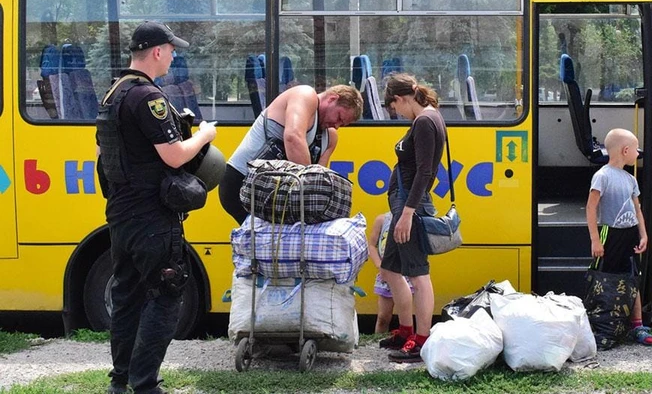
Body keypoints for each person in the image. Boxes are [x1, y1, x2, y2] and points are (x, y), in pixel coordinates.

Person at [96, 21, 217, 394]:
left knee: (127, 297)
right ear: (157, 51)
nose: (174, 55)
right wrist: (204, 135)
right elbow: (174, 155)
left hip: (121, 214)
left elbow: (103, 154)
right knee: (167, 295)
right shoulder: (148, 97)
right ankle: (145, 384)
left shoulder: (113, 94)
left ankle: (120, 381)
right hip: (153, 216)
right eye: (172, 49)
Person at [218, 84, 363, 224]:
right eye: (338, 117)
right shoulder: (305, 95)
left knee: (283, 244)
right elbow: (293, 137)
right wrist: (309, 190)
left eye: (342, 125)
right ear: (332, 98)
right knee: (267, 242)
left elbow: (320, 178)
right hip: (242, 182)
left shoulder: (330, 138)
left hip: (271, 191)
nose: (336, 126)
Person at [377, 73, 446, 363]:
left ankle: (422, 339)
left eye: (394, 108)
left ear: (401, 98)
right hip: (402, 207)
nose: (396, 113)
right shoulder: (425, 120)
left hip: (410, 208)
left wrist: (407, 213)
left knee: (418, 272)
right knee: (390, 267)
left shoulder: (425, 122)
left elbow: (425, 172)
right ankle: (406, 330)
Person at [585, 128, 652, 346]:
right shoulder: (602, 176)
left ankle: (637, 325)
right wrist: (595, 240)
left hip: (630, 234)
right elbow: (591, 207)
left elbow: (637, 210)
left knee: (631, 278)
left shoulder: (630, 179)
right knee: (603, 277)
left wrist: (643, 235)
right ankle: (601, 321)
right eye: (636, 150)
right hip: (610, 233)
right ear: (626, 150)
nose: (638, 154)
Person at [366, 212, 416, 333]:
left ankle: (407, 340)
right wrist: (380, 266)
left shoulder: (415, 219)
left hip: (408, 275)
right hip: (386, 274)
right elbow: (372, 245)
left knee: (406, 317)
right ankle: (378, 342)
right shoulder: (382, 220)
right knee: (383, 317)